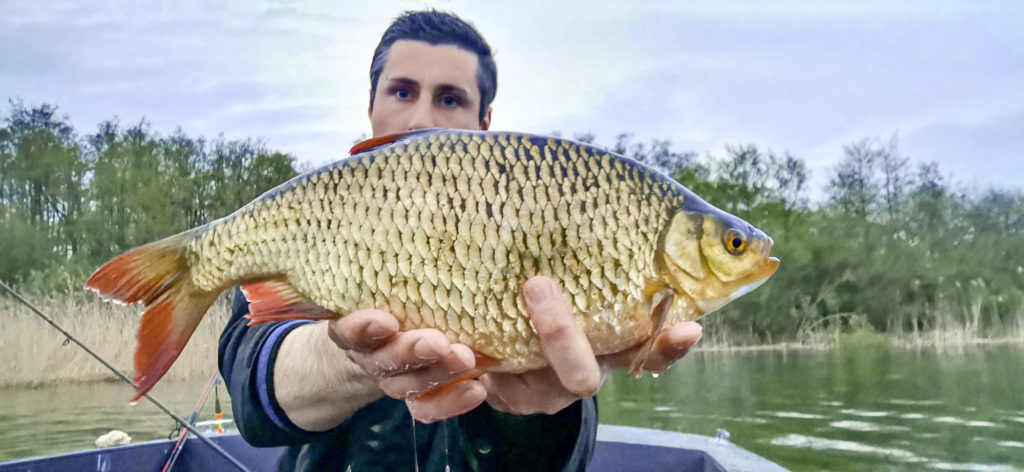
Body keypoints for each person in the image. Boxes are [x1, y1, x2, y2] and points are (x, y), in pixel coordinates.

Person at [219, 10, 704, 471]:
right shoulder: (314, 214)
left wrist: (533, 409)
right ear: (371, 105)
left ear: (485, 124)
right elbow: (251, 380)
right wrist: (358, 361)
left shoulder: (531, 218)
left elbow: (564, 458)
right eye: (403, 92)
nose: (420, 119)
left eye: (449, 99)